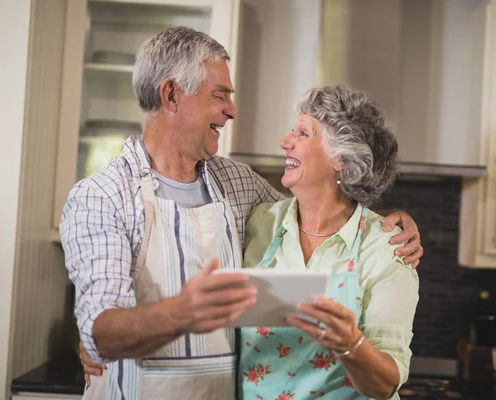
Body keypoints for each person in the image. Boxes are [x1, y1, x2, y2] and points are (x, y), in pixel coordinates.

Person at [65, 27, 423, 399]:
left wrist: (387, 219)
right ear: (171, 95)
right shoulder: (101, 197)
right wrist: (178, 314)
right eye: (220, 95)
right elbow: (101, 331)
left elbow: (325, 208)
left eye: (302, 133)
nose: (232, 110)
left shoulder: (236, 184)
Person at [237, 85, 419, 399]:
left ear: (341, 158)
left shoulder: (385, 247)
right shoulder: (259, 223)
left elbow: (386, 383)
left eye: (302, 134)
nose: (284, 142)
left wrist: (351, 344)